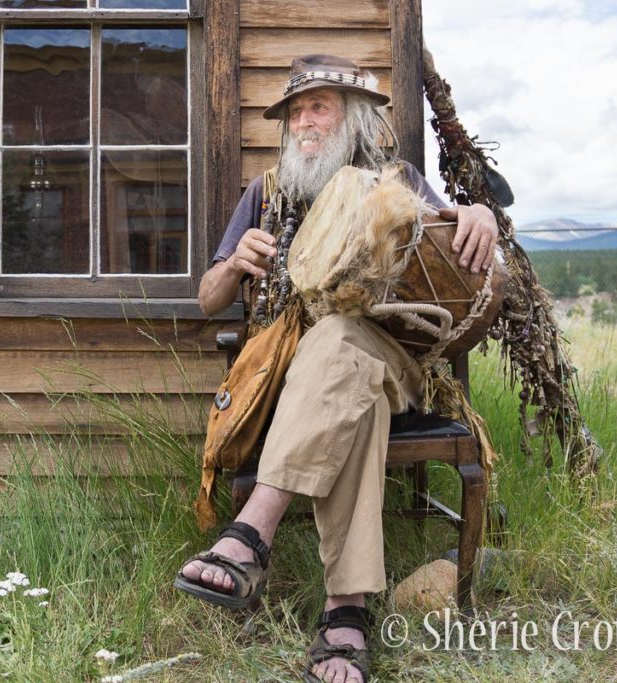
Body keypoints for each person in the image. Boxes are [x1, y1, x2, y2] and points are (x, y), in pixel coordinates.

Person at [173, 55, 499, 683]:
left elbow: (455, 237)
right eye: (295, 112)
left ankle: (251, 533)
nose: (303, 122)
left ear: (351, 118)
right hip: (294, 378)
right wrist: (236, 262)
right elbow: (207, 298)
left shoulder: (395, 181)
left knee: (343, 336)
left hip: (396, 360)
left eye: (317, 107)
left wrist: (476, 211)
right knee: (352, 391)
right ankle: (345, 615)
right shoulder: (265, 194)